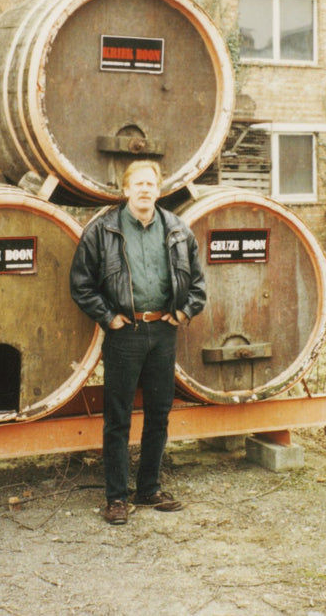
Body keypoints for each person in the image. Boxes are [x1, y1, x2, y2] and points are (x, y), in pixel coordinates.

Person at [69, 159, 207, 525]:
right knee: (118, 417)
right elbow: (81, 284)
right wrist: (108, 316)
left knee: (159, 413)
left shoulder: (178, 230)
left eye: (151, 184)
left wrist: (183, 312)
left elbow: (198, 283)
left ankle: (149, 488)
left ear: (159, 190)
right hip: (124, 333)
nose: (145, 190)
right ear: (126, 190)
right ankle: (116, 496)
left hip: (162, 331)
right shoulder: (103, 231)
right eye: (138, 184)